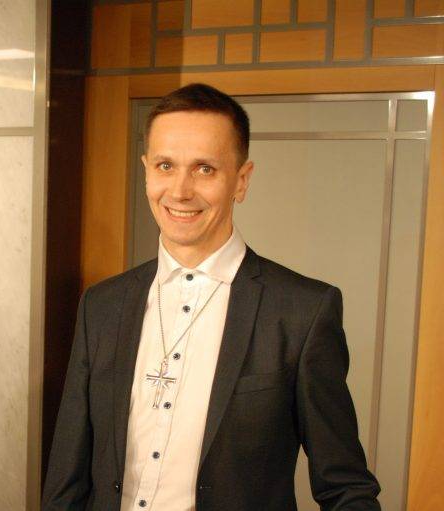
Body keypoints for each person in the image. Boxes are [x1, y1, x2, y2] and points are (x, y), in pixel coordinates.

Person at [42, 84, 380, 510]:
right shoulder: (102, 305)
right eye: (166, 165)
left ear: (241, 180)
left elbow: (346, 489)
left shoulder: (302, 312)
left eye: (205, 169)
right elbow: (66, 479)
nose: (180, 191)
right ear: (146, 171)